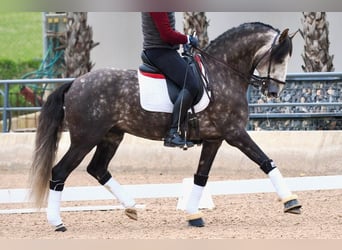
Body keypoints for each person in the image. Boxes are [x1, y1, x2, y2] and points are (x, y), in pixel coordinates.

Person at [141, 12, 200, 148]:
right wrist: (187, 39)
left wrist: (183, 40)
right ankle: (173, 132)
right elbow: (166, 34)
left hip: (164, 50)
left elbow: (168, 30)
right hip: (160, 52)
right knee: (191, 84)